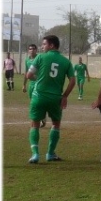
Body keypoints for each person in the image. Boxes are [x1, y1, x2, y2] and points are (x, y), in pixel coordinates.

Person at [25, 35, 75, 163]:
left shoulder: (40, 57)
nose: (42, 47)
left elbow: (29, 75)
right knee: (55, 124)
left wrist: (39, 79)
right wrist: (65, 96)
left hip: (39, 96)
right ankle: (50, 153)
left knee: (35, 124)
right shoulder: (66, 61)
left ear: (51, 45)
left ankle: (35, 154)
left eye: (44, 44)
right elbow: (72, 81)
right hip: (56, 98)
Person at [23, 44, 47, 128]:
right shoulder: (27, 60)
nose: (32, 50)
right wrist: (24, 85)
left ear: (36, 50)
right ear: (28, 50)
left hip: (39, 84)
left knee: (38, 102)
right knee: (32, 102)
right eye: (30, 49)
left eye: (33, 49)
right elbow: (26, 73)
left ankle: (40, 118)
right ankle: (41, 117)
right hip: (31, 84)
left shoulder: (40, 58)